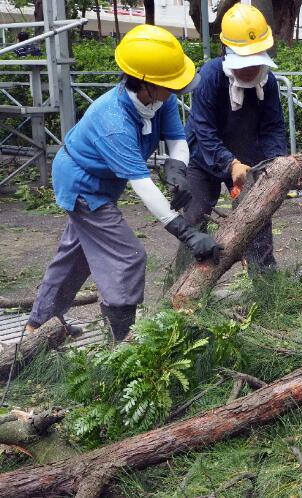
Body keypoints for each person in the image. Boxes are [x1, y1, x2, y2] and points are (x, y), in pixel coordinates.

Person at [24, 25, 222, 342]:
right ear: (145, 83)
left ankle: (37, 326)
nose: (174, 91)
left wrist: (177, 168)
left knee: (75, 256)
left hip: (105, 182)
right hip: (83, 185)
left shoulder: (161, 99)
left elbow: (177, 139)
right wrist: (186, 232)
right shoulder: (114, 121)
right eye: (168, 85)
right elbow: (142, 185)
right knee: (127, 257)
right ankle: (122, 340)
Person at [181, 3, 287, 276]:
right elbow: (204, 130)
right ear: (229, 52)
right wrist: (229, 163)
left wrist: (276, 164)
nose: (251, 68)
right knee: (195, 216)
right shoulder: (210, 76)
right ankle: (182, 281)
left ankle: (266, 284)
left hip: (247, 158)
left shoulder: (269, 81)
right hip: (203, 157)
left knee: (257, 216)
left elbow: (273, 127)